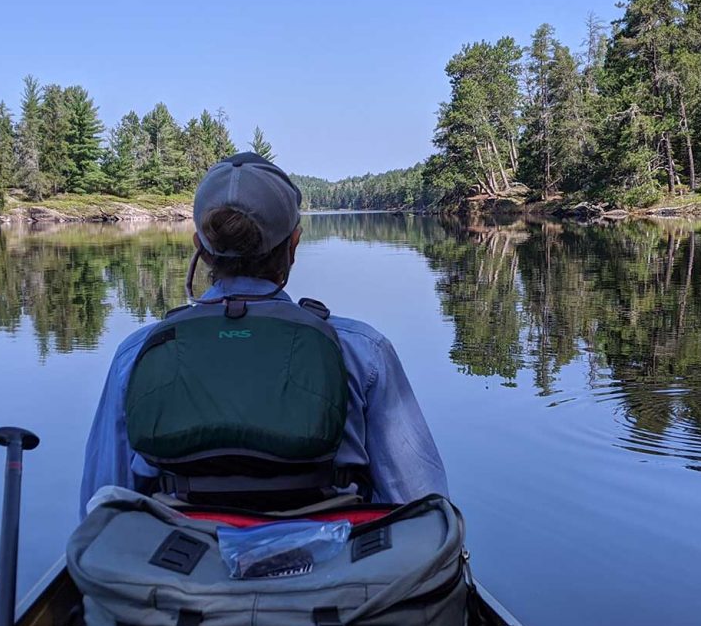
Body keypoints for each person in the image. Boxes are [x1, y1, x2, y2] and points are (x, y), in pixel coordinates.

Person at [81, 151, 448, 513]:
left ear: (201, 250)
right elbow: (420, 507)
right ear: (294, 245)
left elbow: (102, 507)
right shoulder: (361, 351)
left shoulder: (138, 352)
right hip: (331, 567)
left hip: (178, 565)